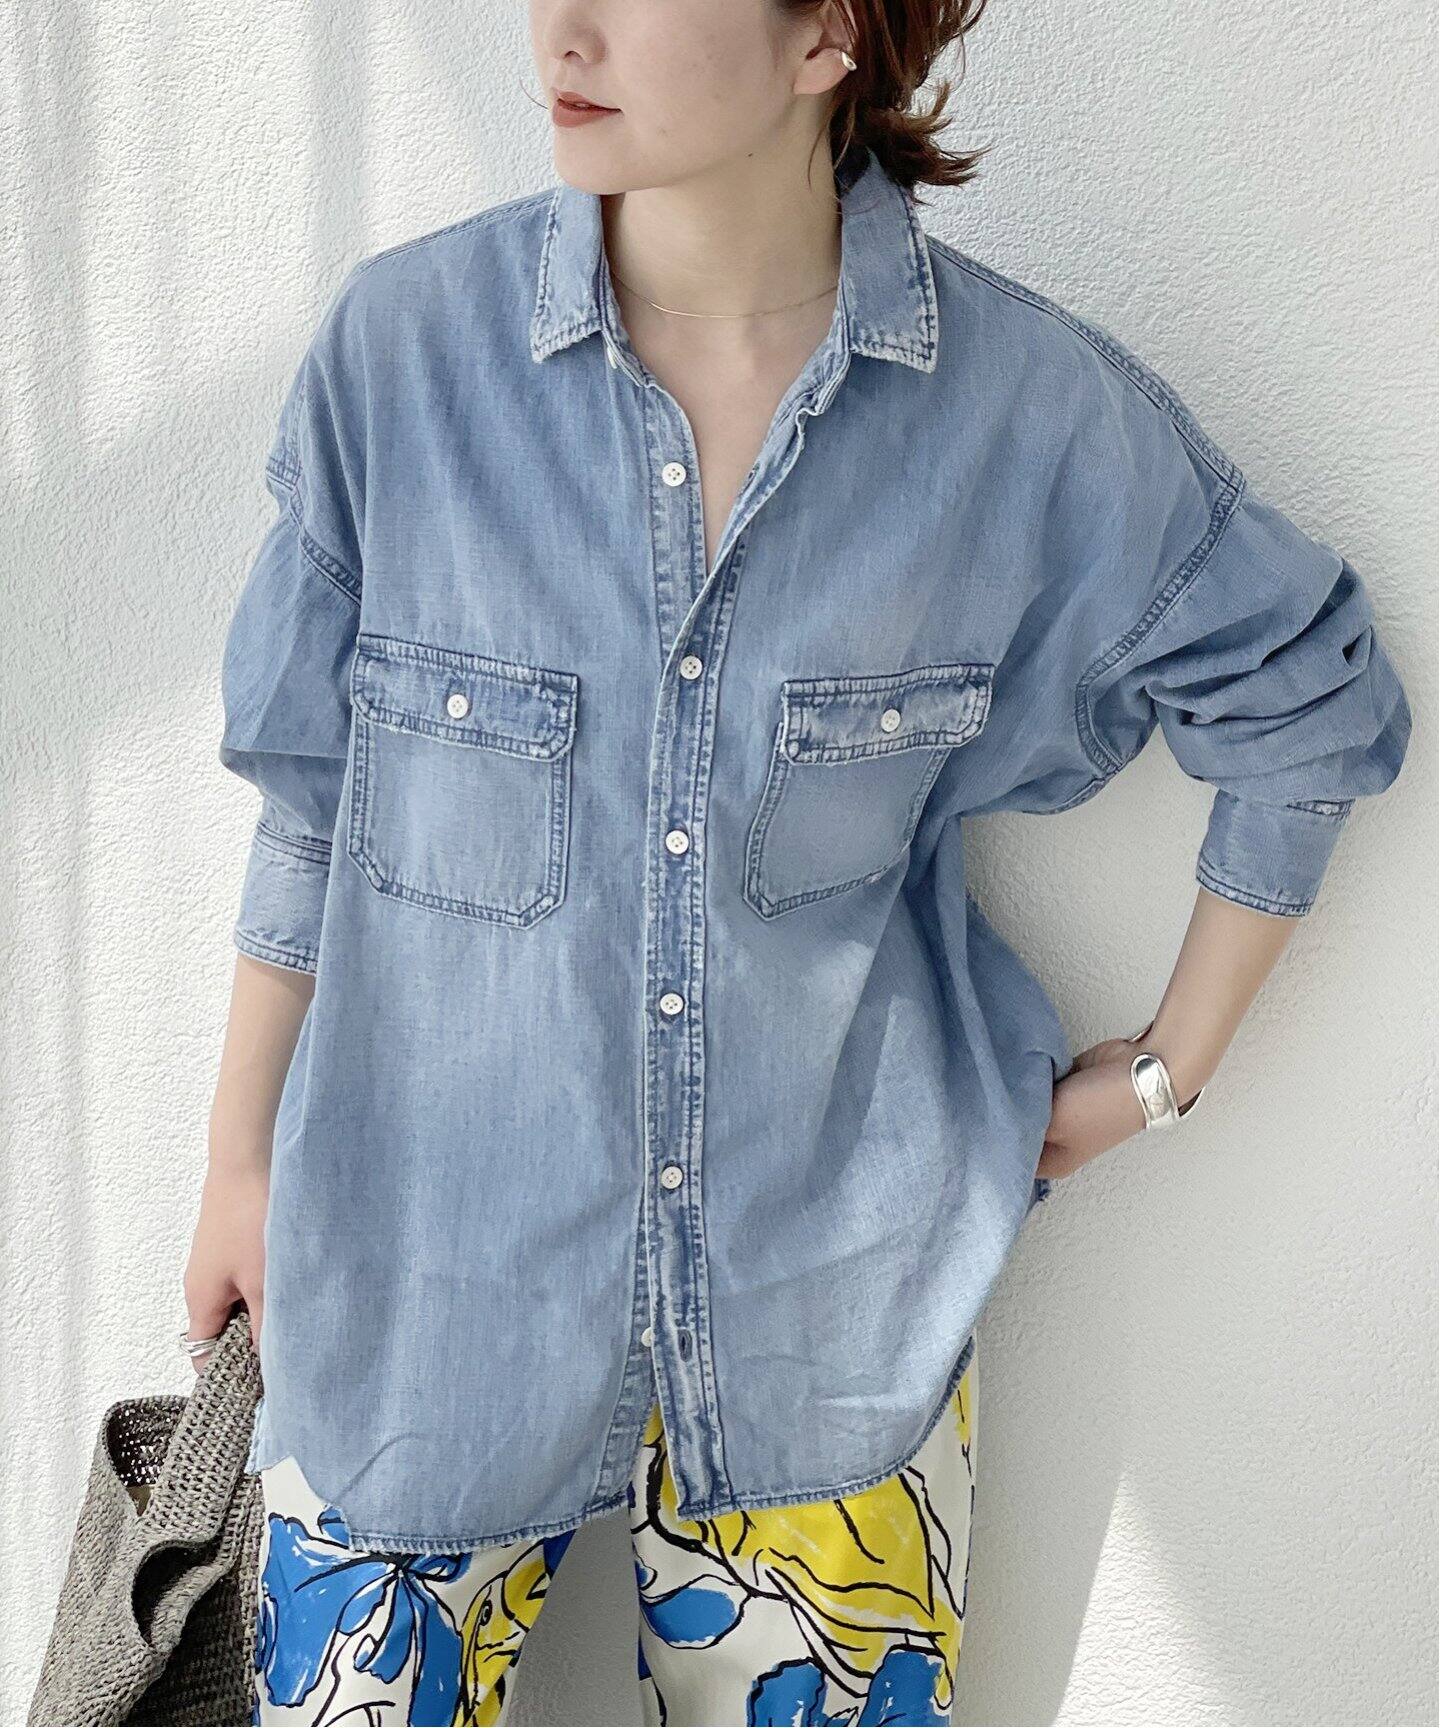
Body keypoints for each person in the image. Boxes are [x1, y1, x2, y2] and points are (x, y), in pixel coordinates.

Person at [187, 1, 1413, 1723]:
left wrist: (1161, 1076)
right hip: (407, 1302)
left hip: (832, 1335)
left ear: (827, 33)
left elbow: (1306, 694)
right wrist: (237, 1162)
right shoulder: (404, 362)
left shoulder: (1018, 419)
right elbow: (316, 794)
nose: (563, 30)